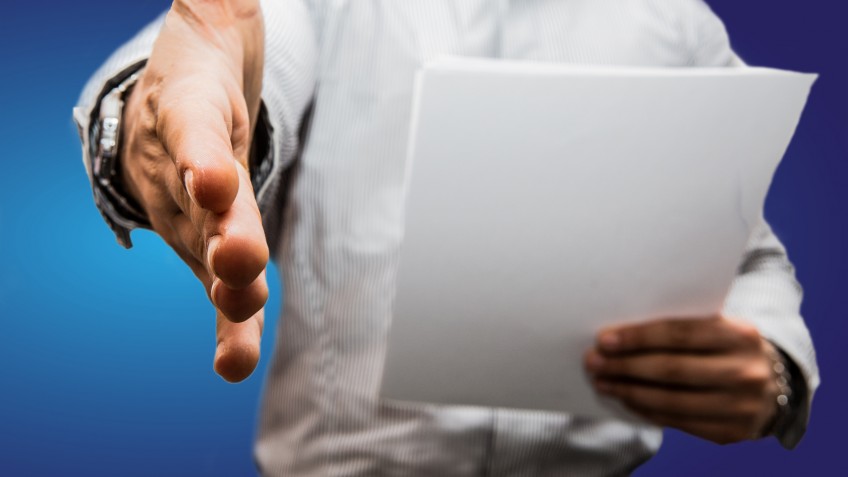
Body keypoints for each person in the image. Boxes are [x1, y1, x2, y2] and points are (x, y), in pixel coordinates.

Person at [74, 0, 819, 475]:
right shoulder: (328, 7)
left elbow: (741, 238)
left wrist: (775, 364)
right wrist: (166, 125)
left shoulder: (675, 24)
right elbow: (223, 63)